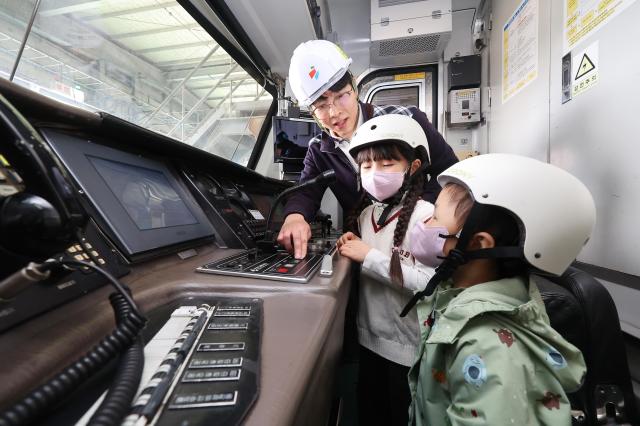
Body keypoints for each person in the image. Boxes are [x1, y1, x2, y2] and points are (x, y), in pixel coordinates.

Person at [403, 153, 595, 425]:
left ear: (479, 244)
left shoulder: (487, 348)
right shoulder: (458, 298)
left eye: (434, 217)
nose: (424, 226)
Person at [278, 39, 458, 259]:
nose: (334, 113)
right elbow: (306, 192)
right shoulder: (319, 149)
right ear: (312, 112)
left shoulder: (407, 120)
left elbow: (451, 172)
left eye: (340, 96)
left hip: (415, 237)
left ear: (354, 86)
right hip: (362, 240)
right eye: (321, 106)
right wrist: (295, 216)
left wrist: (426, 214)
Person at [336, 114, 438, 425]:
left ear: (413, 166)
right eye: (366, 166)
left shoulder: (426, 215)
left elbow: (429, 282)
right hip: (369, 342)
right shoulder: (367, 215)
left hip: (407, 352)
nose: (375, 173)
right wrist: (353, 244)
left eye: (387, 164)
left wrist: (368, 256)